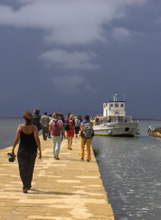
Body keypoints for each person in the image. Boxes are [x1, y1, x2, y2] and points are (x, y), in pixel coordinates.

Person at [11, 111, 42, 193]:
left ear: (24, 118)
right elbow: (37, 139)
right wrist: (40, 149)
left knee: (22, 168)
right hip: (32, 150)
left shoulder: (20, 127)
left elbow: (16, 139)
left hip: (22, 150)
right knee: (30, 167)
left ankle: (25, 186)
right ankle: (28, 184)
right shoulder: (34, 128)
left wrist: (13, 149)